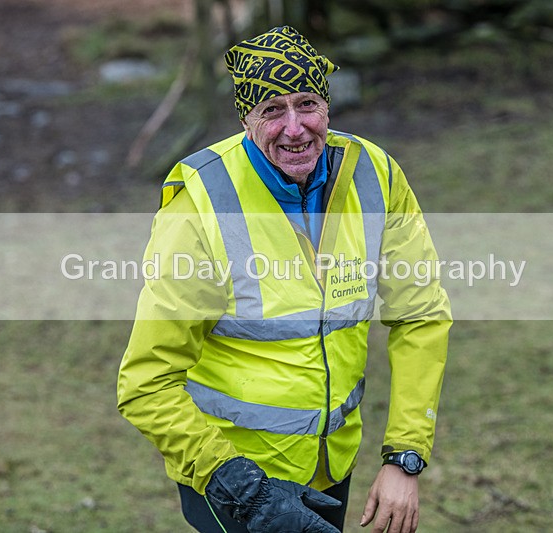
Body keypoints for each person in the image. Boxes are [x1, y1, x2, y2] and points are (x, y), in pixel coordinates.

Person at [117, 26, 451, 533]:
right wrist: (245, 490)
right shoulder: (201, 204)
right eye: (272, 110)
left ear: (328, 107)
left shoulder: (375, 175)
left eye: (307, 104)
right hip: (231, 475)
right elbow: (145, 383)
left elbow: (421, 316)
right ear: (245, 116)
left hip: (330, 465)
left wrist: (404, 456)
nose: (295, 129)